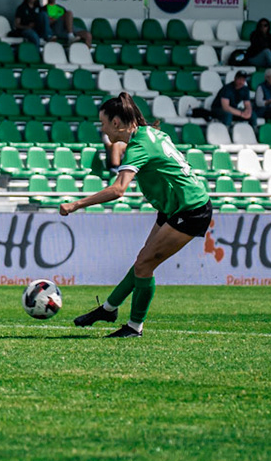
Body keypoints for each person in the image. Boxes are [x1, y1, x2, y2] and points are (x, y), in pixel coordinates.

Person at [66, 94, 213, 338]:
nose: (101, 128)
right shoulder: (150, 134)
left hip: (191, 209)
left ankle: (134, 327)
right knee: (142, 261)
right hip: (173, 207)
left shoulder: (139, 146)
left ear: (115, 123)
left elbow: (118, 190)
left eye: (102, 123)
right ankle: (108, 309)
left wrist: (76, 204)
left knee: (145, 264)